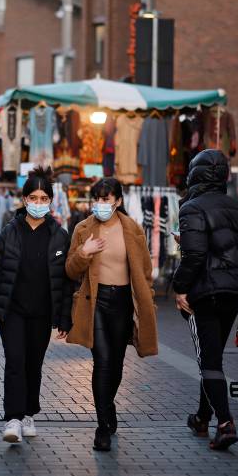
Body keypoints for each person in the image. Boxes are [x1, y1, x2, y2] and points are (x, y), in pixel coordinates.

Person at [0, 166, 72, 444]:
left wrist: (64, 319)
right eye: (34, 197)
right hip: (13, 311)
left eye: (44, 198)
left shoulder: (59, 235)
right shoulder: (9, 232)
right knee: (16, 362)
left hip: (42, 313)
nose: (39, 203)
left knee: (34, 363)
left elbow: (65, 282)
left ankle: (30, 412)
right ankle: (13, 419)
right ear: (24, 199)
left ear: (51, 201)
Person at [65, 177, 158, 452]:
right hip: (96, 302)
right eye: (96, 199)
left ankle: (108, 405)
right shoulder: (83, 228)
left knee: (116, 364)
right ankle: (102, 426)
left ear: (117, 201)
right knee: (103, 362)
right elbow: (71, 269)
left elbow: (144, 273)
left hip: (124, 303)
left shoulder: (133, 229)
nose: (100, 205)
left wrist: (147, 303)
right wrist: (84, 252)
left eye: (106, 200)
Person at [171, 149, 238, 451]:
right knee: (212, 356)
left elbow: (194, 256)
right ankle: (203, 417)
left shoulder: (192, 208)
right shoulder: (237, 207)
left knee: (210, 360)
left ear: (195, 174)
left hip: (206, 290)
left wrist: (179, 287)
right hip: (233, 288)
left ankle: (225, 422)